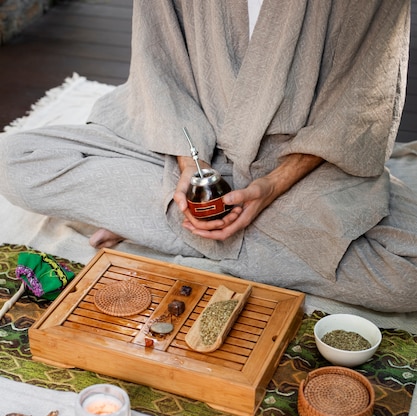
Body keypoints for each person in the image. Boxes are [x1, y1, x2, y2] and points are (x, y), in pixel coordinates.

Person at [0, 0, 415, 312]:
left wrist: (270, 187)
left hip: (298, 163)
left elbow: (360, 103)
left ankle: (152, 227)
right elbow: (159, 70)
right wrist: (186, 164)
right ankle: (222, 230)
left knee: (408, 275)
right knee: (18, 160)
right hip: (186, 142)